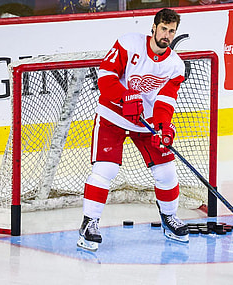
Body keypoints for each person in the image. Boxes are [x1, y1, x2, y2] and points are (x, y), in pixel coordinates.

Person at [77, 8, 188, 251]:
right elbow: (105, 77)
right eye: (163, 29)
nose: (166, 35)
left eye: (171, 31)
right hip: (112, 116)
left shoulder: (175, 66)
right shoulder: (129, 43)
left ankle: (169, 218)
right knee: (105, 169)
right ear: (154, 27)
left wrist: (163, 127)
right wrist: (124, 97)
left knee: (167, 172)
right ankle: (89, 223)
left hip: (145, 122)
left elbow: (166, 101)